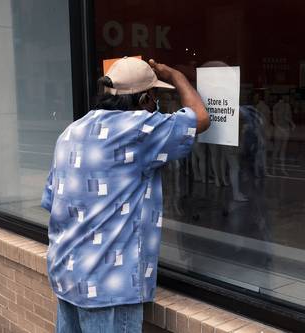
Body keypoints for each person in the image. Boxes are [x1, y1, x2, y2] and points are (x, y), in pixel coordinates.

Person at [41, 57, 209, 332]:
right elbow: (199, 118)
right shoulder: (139, 130)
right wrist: (177, 76)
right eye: (155, 97)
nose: (156, 106)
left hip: (66, 272)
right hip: (108, 286)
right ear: (145, 98)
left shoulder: (71, 131)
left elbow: (52, 200)